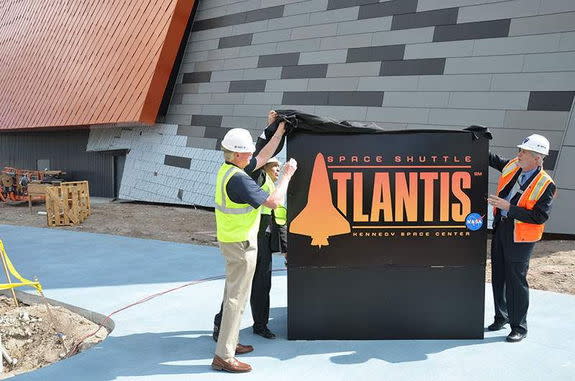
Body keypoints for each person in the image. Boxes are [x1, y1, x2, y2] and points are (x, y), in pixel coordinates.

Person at [211, 120, 297, 373]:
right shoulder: (238, 180)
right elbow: (274, 201)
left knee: (232, 294)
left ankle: (231, 342)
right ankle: (224, 356)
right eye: (247, 151)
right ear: (237, 154)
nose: (251, 155)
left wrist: (278, 131)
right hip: (241, 244)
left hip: (233, 240)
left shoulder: (228, 169)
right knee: (236, 300)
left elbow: (262, 155)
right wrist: (286, 175)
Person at [486, 134, 556, 343]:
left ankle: (519, 327)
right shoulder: (512, 166)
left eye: (524, 152)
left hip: (521, 237)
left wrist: (509, 208)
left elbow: (539, 216)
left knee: (516, 281)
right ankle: (502, 317)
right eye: (520, 150)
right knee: (498, 276)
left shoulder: (546, 184)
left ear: (538, 158)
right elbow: (491, 159)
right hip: (501, 230)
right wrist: (477, 138)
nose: (519, 154)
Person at [212, 157, 286, 340]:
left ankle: (260, 325)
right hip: (251, 238)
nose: (278, 169)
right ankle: (220, 325)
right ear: (265, 166)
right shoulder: (256, 177)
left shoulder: (272, 186)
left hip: (265, 240)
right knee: (239, 288)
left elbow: (279, 217)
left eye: (279, 167)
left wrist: (284, 246)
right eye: (274, 166)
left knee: (262, 285)